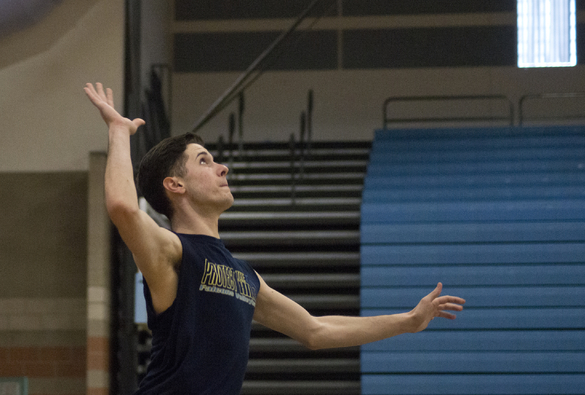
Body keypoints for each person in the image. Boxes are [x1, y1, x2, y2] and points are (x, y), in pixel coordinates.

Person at [84, 82, 465, 395]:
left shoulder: (246, 278)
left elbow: (316, 331)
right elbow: (121, 205)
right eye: (204, 161)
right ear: (175, 185)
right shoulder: (172, 252)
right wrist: (118, 132)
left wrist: (409, 321)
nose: (222, 167)